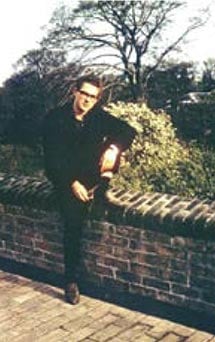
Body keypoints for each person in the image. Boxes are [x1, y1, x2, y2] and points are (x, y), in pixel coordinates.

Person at [42, 75, 136, 305]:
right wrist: (71, 183)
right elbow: (51, 160)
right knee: (73, 225)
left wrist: (113, 148)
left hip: (92, 175)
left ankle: (102, 190)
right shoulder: (55, 118)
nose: (87, 100)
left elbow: (129, 131)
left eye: (92, 97)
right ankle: (71, 281)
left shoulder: (97, 116)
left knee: (114, 148)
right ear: (75, 92)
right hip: (66, 178)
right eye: (84, 94)